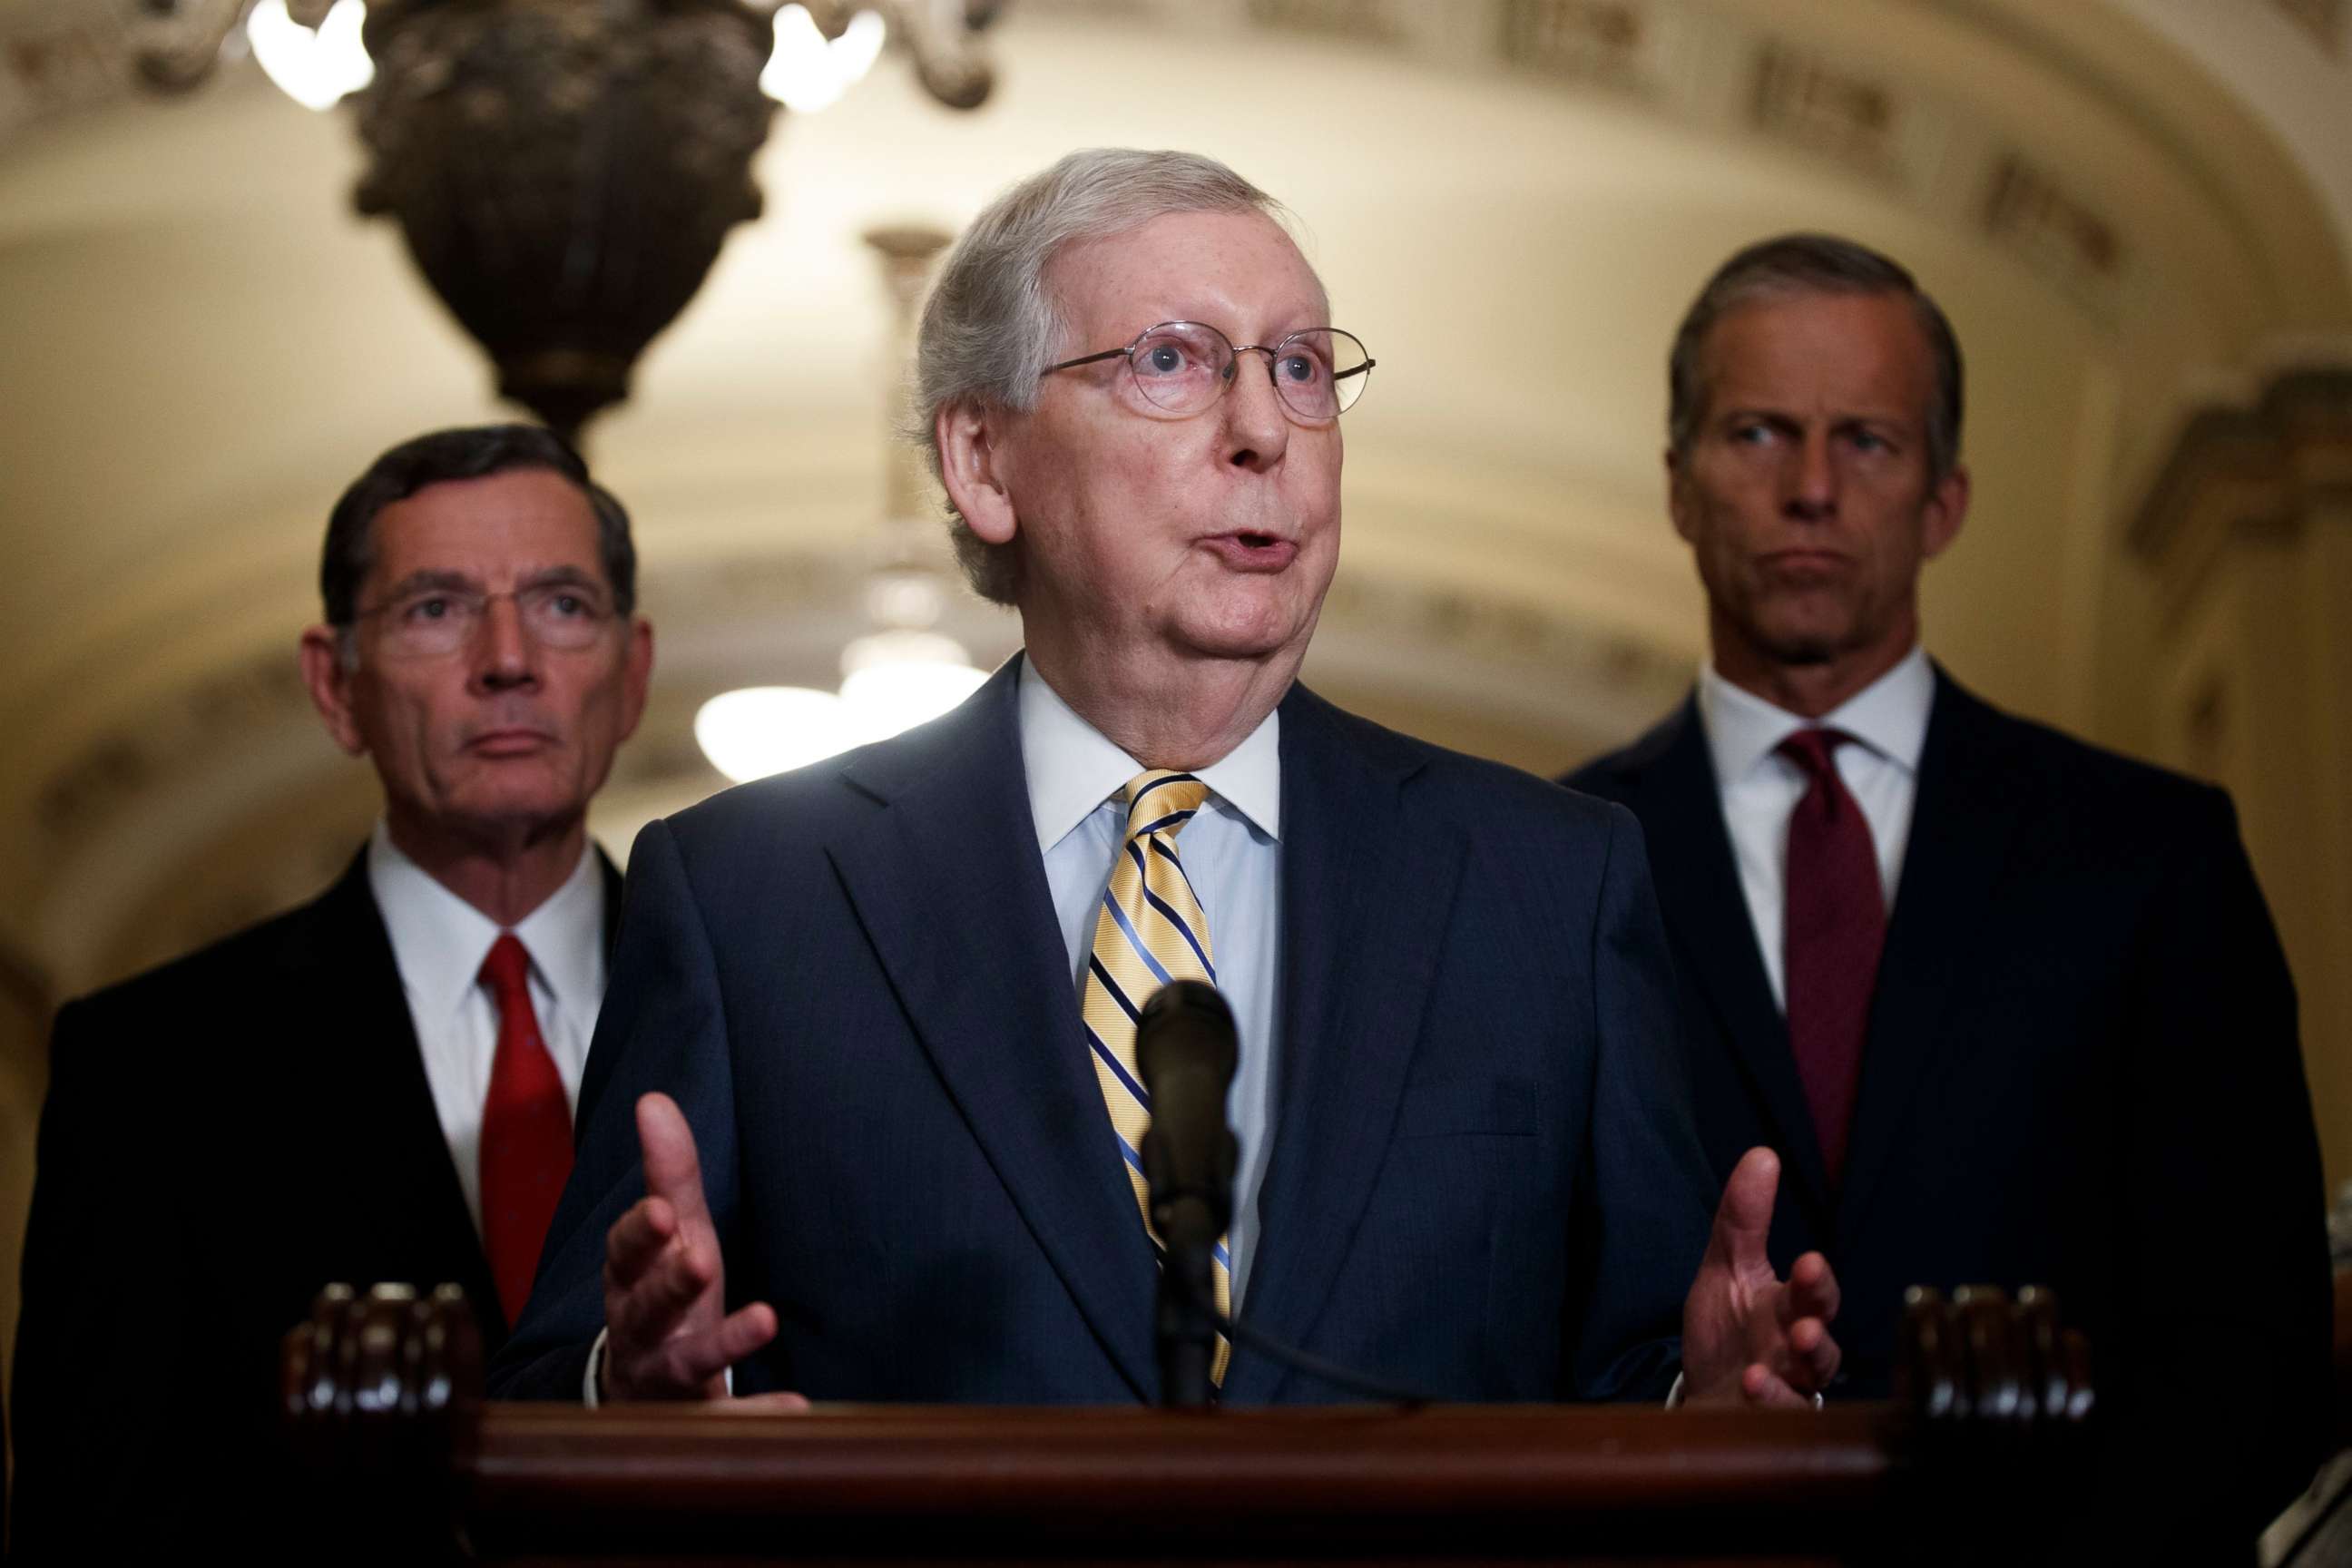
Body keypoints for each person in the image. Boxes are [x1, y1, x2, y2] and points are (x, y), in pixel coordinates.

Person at [491, 150, 1839, 1412]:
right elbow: (555, 1392)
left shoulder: (1551, 883)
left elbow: (1637, 1372)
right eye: (1173, 362)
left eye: (1303, 368)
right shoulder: (748, 898)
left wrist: (1701, 1407)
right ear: (983, 461)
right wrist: (637, 1391)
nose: (1265, 426)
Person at [1565, 233, 2331, 1539]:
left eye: (1866, 440)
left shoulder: (2153, 855)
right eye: (1758, 434)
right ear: (1680, 487)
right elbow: (1501, 1314)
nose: (1813, 488)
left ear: (1945, 500)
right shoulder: (1551, 861)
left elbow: (2259, 1343)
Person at [10, 424, 654, 1553]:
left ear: (632, 668)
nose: (508, 658)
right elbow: (91, 1523)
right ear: (334, 684)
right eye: (435, 609)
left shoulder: (773, 1016)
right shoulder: (147, 1069)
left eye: (560, 602)